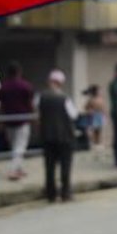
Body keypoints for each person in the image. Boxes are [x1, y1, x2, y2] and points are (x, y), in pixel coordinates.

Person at [36, 69, 76, 202]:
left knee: (49, 166)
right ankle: (65, 192)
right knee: (65, 166)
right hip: (64, 137)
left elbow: (38, 114)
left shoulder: (40, 97)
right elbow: (73, 115)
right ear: (61, 83)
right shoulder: (65, 98)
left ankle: (51, 193)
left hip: (47, 137)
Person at [0, 63, 36, 180]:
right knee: (20, 147)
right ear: (19, 72)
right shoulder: (25, 86)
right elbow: (30, 103)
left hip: (8, 120)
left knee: (13, 146)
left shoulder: (3, 87)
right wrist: (34, 116)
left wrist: (1, 120)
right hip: (22, 120)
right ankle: (13, 171)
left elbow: (1, 105)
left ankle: (19, 168)